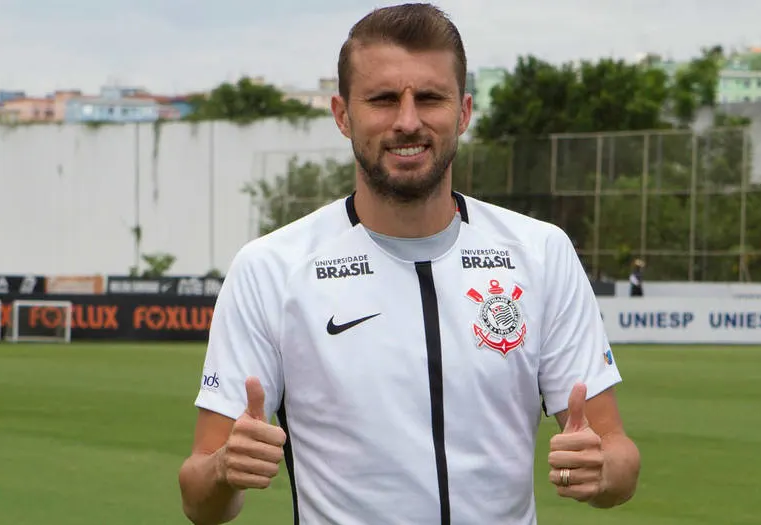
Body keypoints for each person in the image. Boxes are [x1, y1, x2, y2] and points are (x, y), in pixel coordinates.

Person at [177, 3, 640, 524]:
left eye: (429, 98)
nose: (407, 121)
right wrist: (223, 468)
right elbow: (199, 497)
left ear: (462, 112)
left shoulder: (540, 253)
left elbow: (618, 454)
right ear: (342, 114)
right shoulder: (271, 268)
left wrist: (603, 470)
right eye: (381, 100)